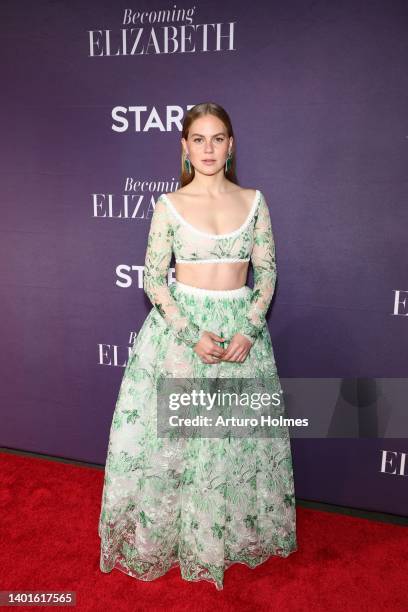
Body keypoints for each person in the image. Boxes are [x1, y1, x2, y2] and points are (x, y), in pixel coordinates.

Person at [98, 102, 297, 590]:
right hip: (183, 335)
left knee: (232, 444)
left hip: (240, 333)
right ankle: (170, 536)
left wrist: (249, 330)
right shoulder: (168, 205)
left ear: (231, 146)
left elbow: (266, 272)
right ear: (184, 147)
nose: (209, 148)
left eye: (219, 138)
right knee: (175, 445)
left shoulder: (254, 201)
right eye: (199, 139)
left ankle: (225, 538)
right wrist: (191, 333)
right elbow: (154, 280)